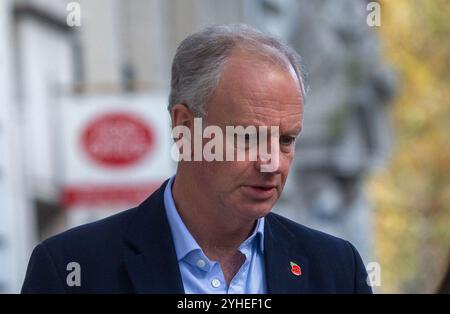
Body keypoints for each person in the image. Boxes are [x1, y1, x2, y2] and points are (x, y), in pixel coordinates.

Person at [21, 24, 372, 294]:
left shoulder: (336, 270)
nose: (273, 163)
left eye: (286, 140)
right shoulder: (72, 269)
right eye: (248, 137)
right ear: (184, 127)